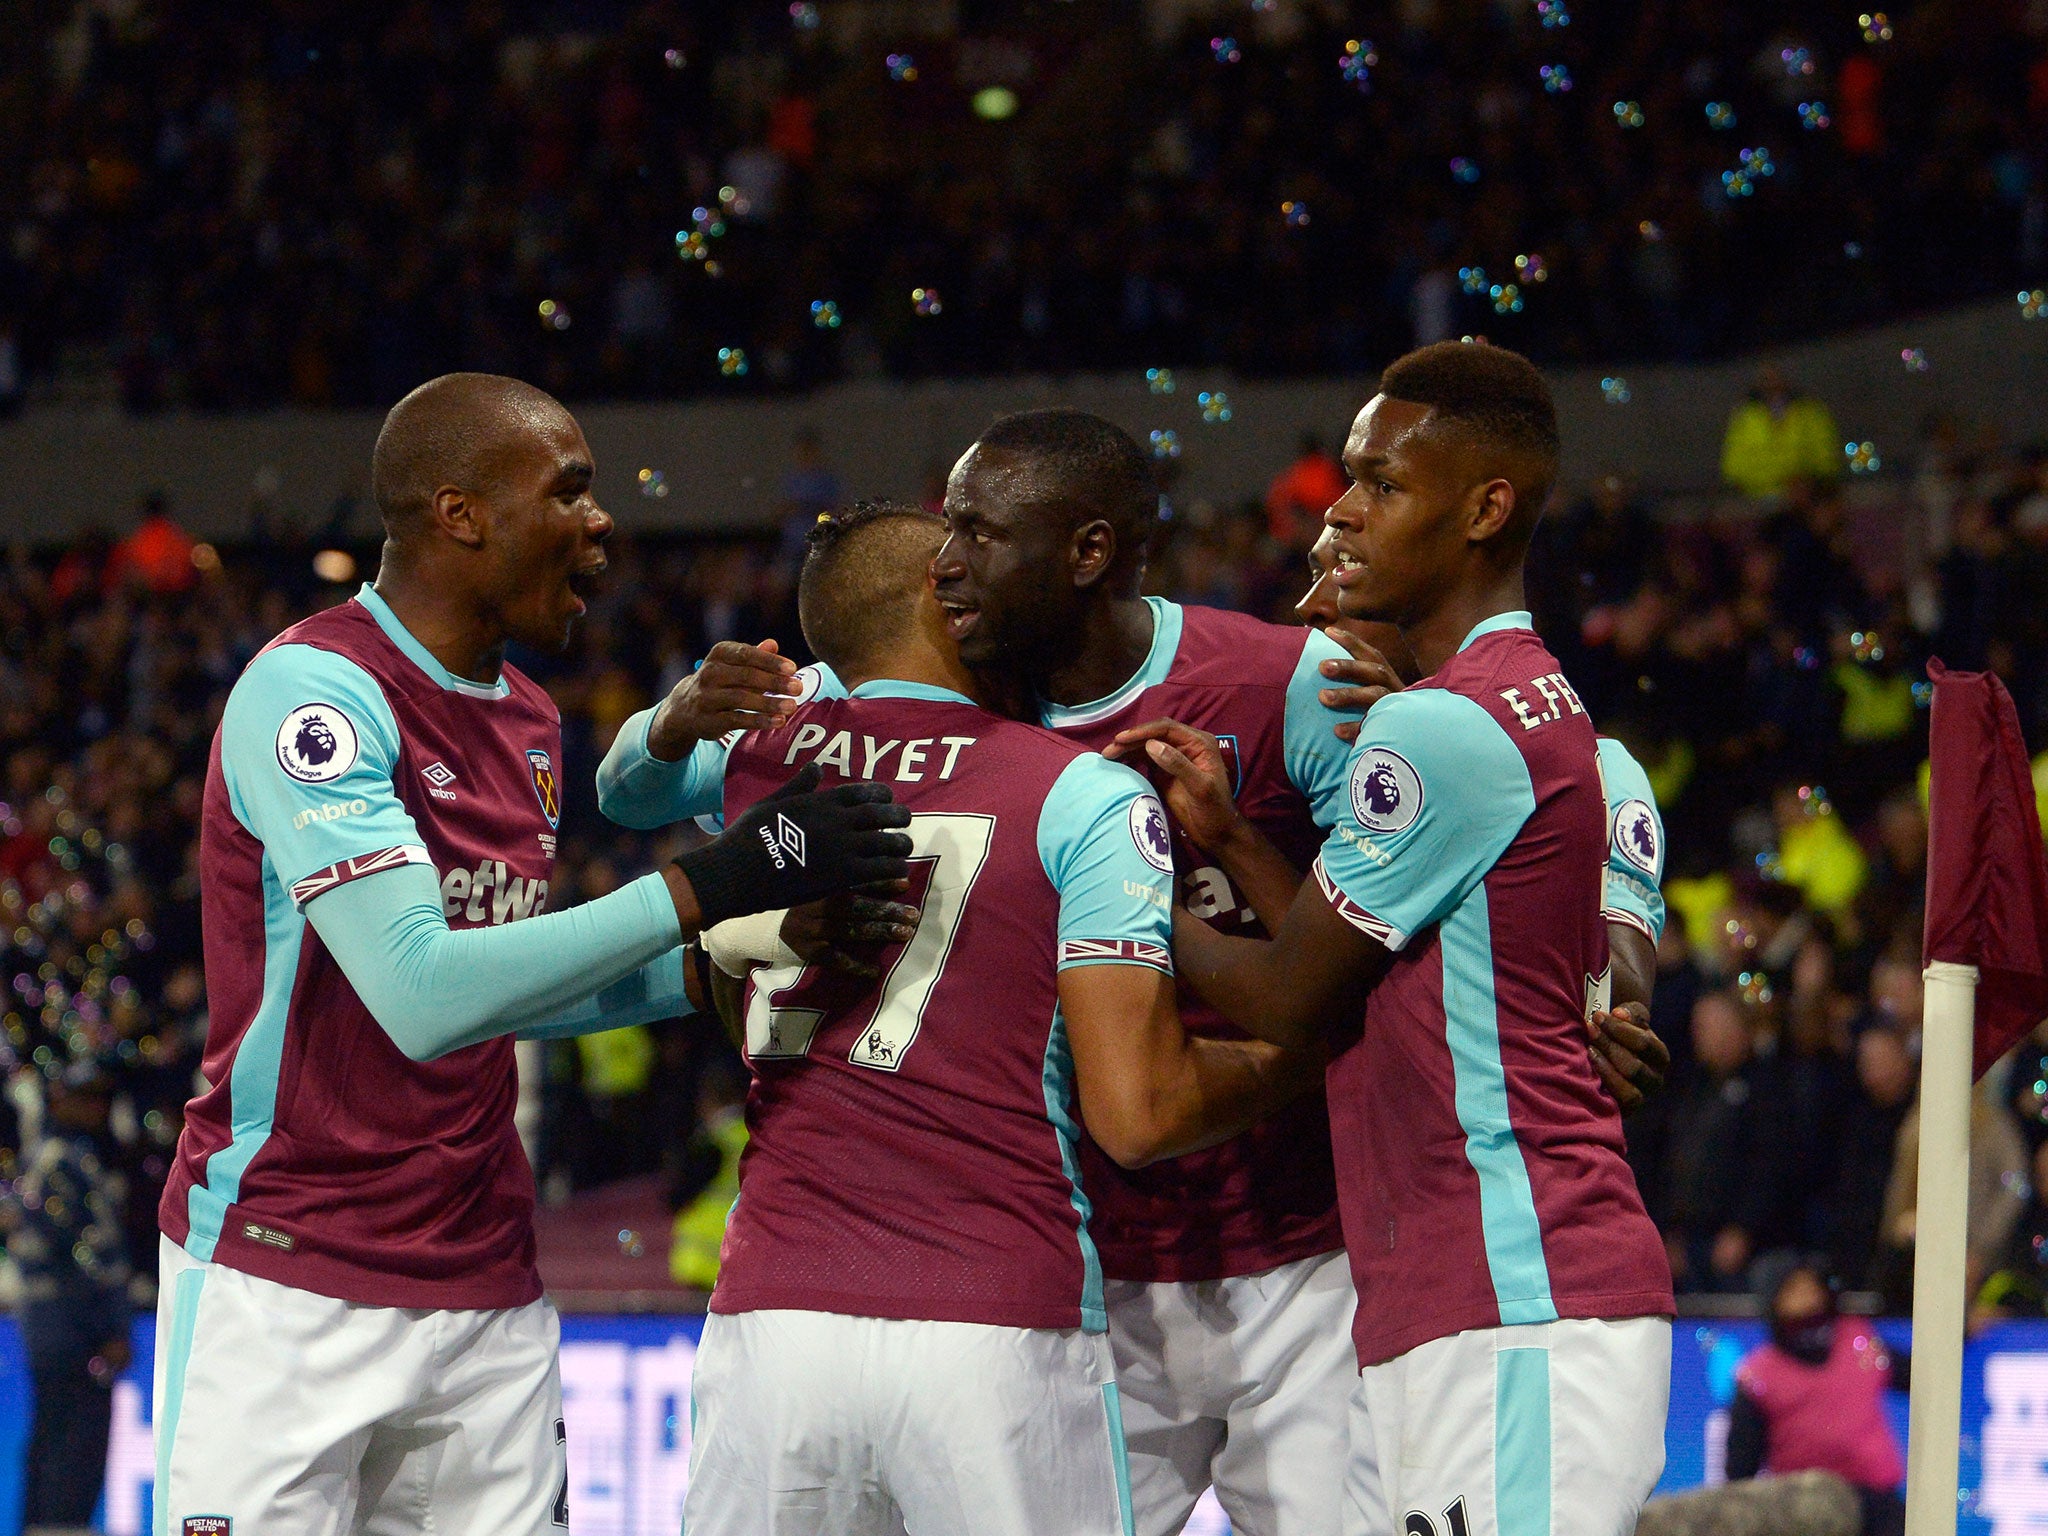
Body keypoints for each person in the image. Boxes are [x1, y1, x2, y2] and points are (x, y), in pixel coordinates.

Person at [601, 410, 1667, 1536]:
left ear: (1086, 552)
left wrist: (1609, 972)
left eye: (973, 531)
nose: (945, 562)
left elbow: (1571, 761)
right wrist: (670, 719)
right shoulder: (930, 694)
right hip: (1088, 1275)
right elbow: (627, 790)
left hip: (1298, 1264)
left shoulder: (1276, 681)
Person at [152, 373, 913, 1536]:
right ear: (461, 514)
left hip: (484, 1289)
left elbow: (507, 982)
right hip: (285, 1277)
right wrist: (713, 884)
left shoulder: (525, 717)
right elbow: (420, 993)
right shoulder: (316, 694)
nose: (601, 522)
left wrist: (722, 963)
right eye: (570, 491)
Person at [684, 502, 1309, 1536]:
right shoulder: (1079, 793)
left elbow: (629, 783)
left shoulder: (758, 759)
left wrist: (669, 724)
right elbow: (1139, 1114)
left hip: (771, 1320)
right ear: (947, 597)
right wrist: (1306, 1050)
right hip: (990, 1319)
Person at [1167, 341, 1675, 1536]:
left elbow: (1293, 996)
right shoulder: (1512, 707)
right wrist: (1236, 843)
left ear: (1484, 508)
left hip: (1515, 1300)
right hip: (1454, 1302)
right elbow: (1385, 948)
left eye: (1381, 484)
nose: (1339, 512)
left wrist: (1115, 896)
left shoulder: (1446, 727)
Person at [4, 1056, 133, 1536]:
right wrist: (110, 1329)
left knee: (55, 1436)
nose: (95, 1105)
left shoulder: (62, 1155)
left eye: (101, 1095)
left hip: (55, 1325)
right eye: (84, 1095)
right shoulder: (61, 1160)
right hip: (71, 1327)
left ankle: (43, 1525)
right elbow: (82, 1255)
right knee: (73, 1441)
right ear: (59, 1098)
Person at [1727, 1257, 1906, 1536]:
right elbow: (1740, 1467)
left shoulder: (1860, 1342)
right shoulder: (1758, 1375)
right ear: (1773, 1302)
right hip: (1804, 1512)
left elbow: (1917, 1375)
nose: (1807, 1298)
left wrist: (1958, 1331)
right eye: (1793, 1291)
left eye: (1811, 1287)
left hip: (1878, 1504)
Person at [1719, 364, 1843, 499]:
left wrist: (1807, 480)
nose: (1772, 384)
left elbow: (1827, 456)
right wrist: (1769, 483)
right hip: (1760, 498)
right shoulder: (1744, 417)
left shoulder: (1809, 411)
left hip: (1807, 498)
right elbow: (1733, 467)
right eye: (1766, 378)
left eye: (1776, 377)